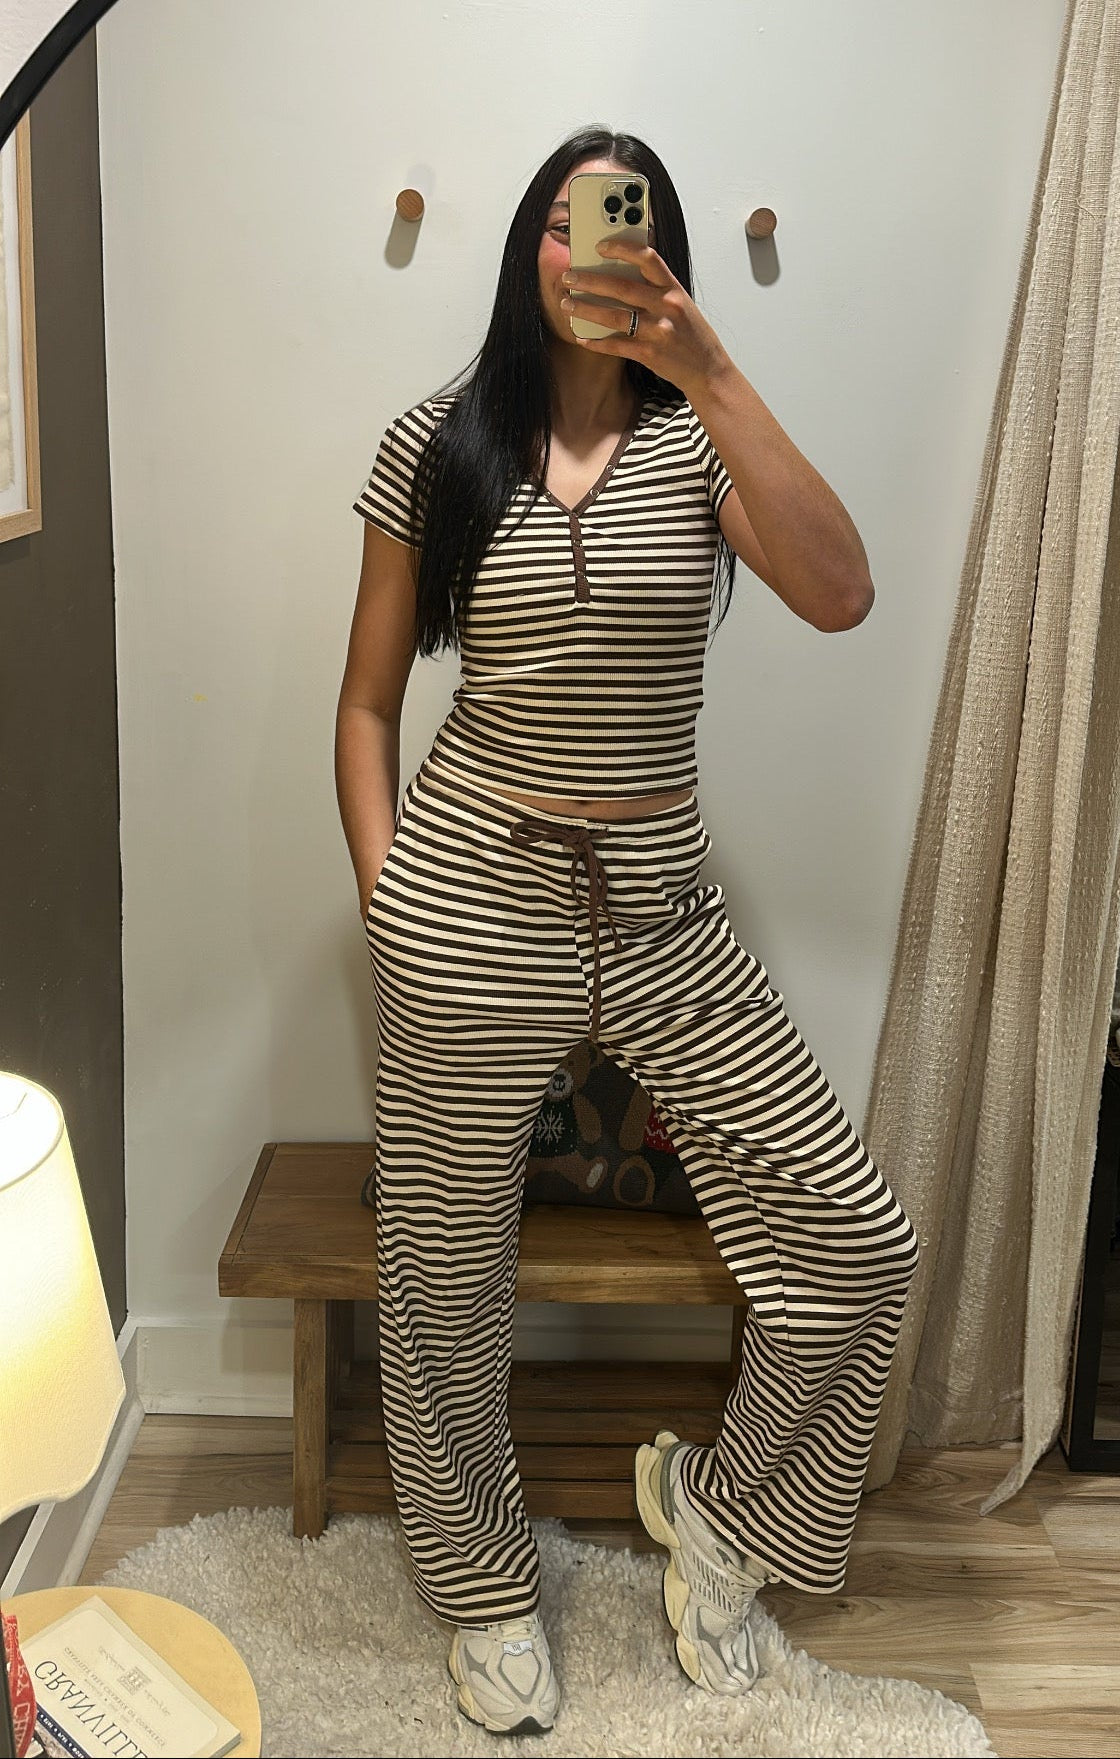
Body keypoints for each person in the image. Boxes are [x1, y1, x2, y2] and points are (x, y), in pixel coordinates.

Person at [334, 127, 920, 1737]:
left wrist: (708, 365)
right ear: (530, 246)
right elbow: (368, 701)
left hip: (662, 910)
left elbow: (843, 592)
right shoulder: (435, 445)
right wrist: (390, 904)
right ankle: (482, 1585)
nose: (589, 250)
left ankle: (721, 1524)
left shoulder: (698, 445)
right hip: (472, 896)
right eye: (565, 222)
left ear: (656, 249)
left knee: (858, 1244)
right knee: (444, 1268)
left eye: (620, 222)